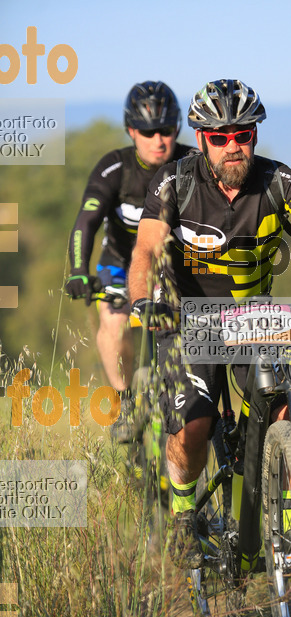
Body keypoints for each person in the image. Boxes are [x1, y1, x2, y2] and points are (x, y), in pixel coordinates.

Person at [128, 78, 291, 567]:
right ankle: (184, 515)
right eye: (219, 137)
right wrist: (144, 299)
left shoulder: (277, 181)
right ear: (202, 139)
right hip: (187, 322)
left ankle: (286, 532)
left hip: (254, 319)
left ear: (255, 136)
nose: (232, 146)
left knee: (289, 414)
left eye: (241, 134)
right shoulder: (175, 183)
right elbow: (146, 250)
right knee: (194, 425)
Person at [66, 81, 193, 441]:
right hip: (118, 264)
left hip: (175, 268)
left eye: (166, 130)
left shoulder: (191, 164)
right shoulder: (115, 168)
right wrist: (79, 271)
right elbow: (86, 221)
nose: (158, 140)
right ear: (131, 131)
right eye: (149, 131)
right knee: (114, 323)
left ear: (177, 128)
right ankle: (126, 401)